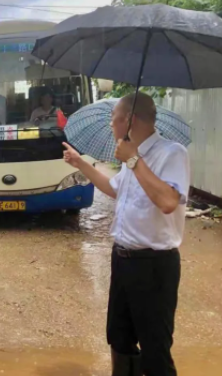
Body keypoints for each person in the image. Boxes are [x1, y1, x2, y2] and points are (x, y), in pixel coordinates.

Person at [62, 92, 190, 376]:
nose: (110, 125)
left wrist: (133, 160)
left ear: (129, 120)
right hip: (123, 259)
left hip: (154, 265)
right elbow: (114, 188)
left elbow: (168, 202)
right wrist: (80, 163)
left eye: (113, 118)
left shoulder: (172, 153)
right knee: (119, 338)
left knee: (155, 347)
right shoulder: (133, 156)